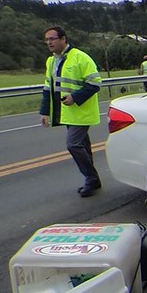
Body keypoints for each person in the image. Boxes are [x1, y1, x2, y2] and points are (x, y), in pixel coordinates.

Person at [40, 26, 102, 198]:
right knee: (83, 146)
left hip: (82, 112)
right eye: (46, 40)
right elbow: (47, 87)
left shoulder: (81, 58)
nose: (49, 42)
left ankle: (91, 178)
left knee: (73, 145)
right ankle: (93, 180)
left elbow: (95, 83)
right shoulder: (51, 61)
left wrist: (75, 97)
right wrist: (44, 111)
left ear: (63, 39)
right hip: (66, 113)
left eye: (52, 39)